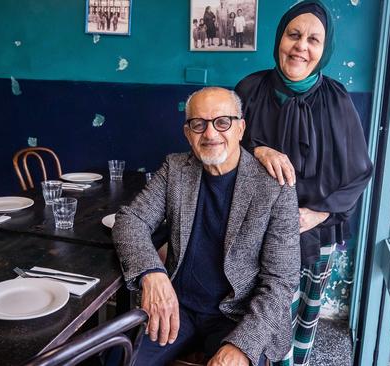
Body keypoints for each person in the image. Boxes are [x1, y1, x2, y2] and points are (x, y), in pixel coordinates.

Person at [113, 87, 301, 366]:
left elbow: (280, 281)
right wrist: (152, 273)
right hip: (177, 307)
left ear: (240, 128)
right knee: (120, 359)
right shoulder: (175, 169)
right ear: (187, 133)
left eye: (222, 122)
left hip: (239, 315)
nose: (210, 134)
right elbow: (130, 220)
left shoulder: (274, 186)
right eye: (198, 124)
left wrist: (242, 345)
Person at [235, 1, 374, 365]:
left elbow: (358, 174)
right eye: (293, 35)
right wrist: (259, 149)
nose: (301, 46)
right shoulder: (249, 89)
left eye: (314, 39)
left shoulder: (336, 100)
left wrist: (316, 214)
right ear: (279, 38)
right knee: (263, 320)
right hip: (257, 231)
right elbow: (220, 148)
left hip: (316, 230)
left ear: (324, 50)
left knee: (304, 323)